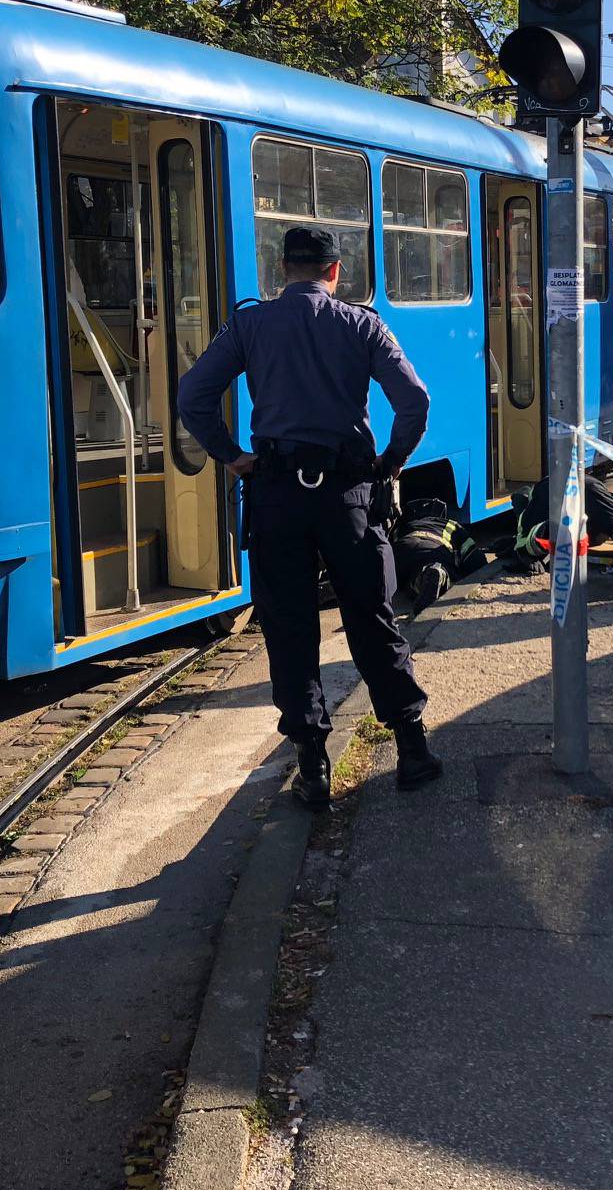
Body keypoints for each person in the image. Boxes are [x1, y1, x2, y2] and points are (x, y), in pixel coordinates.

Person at [176, 224, 438, 812]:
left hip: (275, 495)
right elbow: (413, 402)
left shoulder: (249, 324)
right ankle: (412, 747)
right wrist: (390, 463)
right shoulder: (362, 324)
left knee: (289, 626)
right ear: (334, 272)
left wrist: (231, 457)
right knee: (372, 617)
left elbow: (193, 394)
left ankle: (313, 764)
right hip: (348, 495)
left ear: (281, 269)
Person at [507, 472, 613, 581]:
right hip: (588, 482)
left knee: (529, 539)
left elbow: (521, 540)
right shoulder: (611, 498)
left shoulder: (529, 504)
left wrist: (528, 557)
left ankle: (550, 532)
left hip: (553, 492)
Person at [392, 497, 488, 616]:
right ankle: (435, 574)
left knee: (402, 579)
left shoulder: (403, 526)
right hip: (434, 550)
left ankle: (419, 578)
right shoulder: (451, 524)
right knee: (447, 577)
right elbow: (475, 560)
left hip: (401, 550)